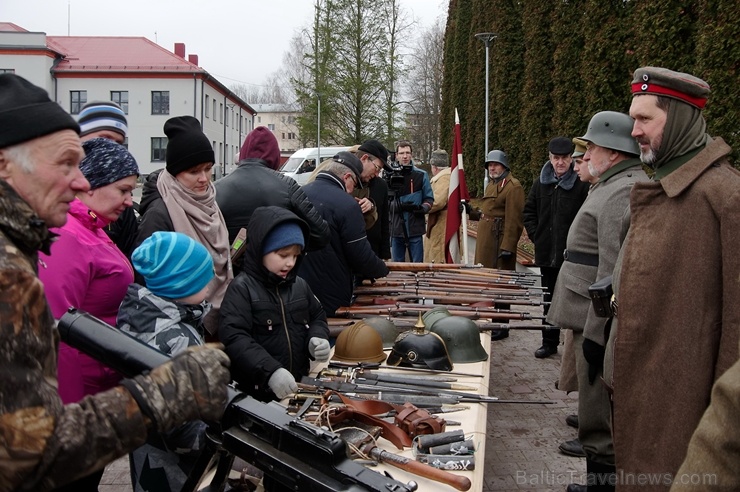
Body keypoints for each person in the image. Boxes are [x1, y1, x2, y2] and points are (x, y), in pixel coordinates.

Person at [0, 73, 230, 491]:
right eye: (65, 163)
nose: (81, 181)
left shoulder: (31, 245)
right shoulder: (17, 266)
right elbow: (29, 447)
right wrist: (165, 391)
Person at [603, 67, 740, 490]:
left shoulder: (725, 198)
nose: (635, 132)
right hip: (645, 398)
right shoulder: (662, 186)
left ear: (679, 118)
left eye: (646, 119)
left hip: (689, 416)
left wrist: (721, 428)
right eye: (633, 118)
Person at [546, 112, 647, 492]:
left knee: (598, 415)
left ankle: (601, 488)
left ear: (615, 151)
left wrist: (597, 334)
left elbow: (610, 271)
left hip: (596, 317)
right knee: (592, 412)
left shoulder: (622, 189)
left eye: (591, 147)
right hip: (586, 310)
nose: (584, 155)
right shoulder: (612, 183)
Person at [39, 138, 139, 415]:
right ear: (92, 183)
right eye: (123, 190)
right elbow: (56, 332)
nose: (130, 201)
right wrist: (69, 417)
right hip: (80, 393)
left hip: (99, 382)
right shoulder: (67, 236)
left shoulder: (92, 228)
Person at [119, 231, 216, 492]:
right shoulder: (176, 339)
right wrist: (218, 441)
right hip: (179, 470)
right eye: (203, 279)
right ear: (180, 285)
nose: (210, 284)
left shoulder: (141, 316)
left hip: (147, 456)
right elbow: (180, 428)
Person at [135, 115, 233, 337]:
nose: (204, 178)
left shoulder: (210, 203)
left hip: (214, 318)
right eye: (193, 171)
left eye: (208, 168)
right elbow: (146, 282)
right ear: (175, 172)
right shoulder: (159, 214)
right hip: (177, 329)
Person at [219, 206, 330, 400]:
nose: (290, 263)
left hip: (297, 386)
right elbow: (235, 338)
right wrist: (270, 371)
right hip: (257, 393)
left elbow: (317, 316)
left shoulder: (300, 286)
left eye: (295, 256)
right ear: (261, 250)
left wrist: (317, 337)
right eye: (283, 255)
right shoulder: (242, 289)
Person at [214, 126, 330, 274]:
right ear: (274, 156)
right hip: (276, 279)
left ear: (243, 153)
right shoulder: (287, 185)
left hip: (230, 277)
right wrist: (289, 249)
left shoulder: (216, 189)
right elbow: (321, 234)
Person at [298, 152, 389, 316]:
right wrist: (382, 269)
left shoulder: (299, 193)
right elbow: (359, 254)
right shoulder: (346, 204)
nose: (352, 191)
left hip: (297, 288)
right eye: (354, 184)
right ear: (347, 176)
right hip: (330, 290)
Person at [524, 137, 589, 359]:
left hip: (570, 255)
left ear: (571, 159)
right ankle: (549, 341)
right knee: (548, 300)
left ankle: (573, 347)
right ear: (550, 158)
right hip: (546, 254)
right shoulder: (539, 183)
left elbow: (585, 218)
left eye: (564, 158)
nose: (560, 162)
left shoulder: (581, 185)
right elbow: (529, 212)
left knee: (572, 302)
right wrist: (537, 235)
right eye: (556, 158)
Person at [461, 149, 524, 341]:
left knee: (501, 284)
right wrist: (470, 211)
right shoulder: (492, 185)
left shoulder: (513, 187)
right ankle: (492, 319)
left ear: (504, 166)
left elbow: (515, 220)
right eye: (489, 165)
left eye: (496, 164)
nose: (492, 168)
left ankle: (502, 325)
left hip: (500, 242)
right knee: (488, 282)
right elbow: (486, 212)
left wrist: (508, 246)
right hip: (487, 239)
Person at [77, 100, 139, 258]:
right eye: (105, 138)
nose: (112, 148)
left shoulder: (123, 206)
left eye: (119, 143)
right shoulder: (52, 194)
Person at [388, 140, 434, 262]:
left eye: (408, 152)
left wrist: (423, 208)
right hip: (396, 229)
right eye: (402, 153)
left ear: (411, 154)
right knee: (397, 266)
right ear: (396, 155)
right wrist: (399, 206)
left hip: (415, 228)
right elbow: (384, 203)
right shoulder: (389, 175)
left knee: (417, 266)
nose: (405, 156)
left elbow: (429, 198)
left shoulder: (421, 175)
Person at [423, 149, 451, 263]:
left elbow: (438, 201)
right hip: (439, 223)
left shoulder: (443, 178)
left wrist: (423, 206)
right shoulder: (447, 176)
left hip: (441, 224)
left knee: (438, 256)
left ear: (434, 167)